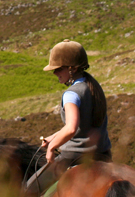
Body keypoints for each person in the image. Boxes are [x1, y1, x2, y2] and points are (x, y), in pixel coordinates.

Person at [25, 39, 112, 195]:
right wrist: (54, 137)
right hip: (103, 154)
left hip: (75, 156)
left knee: (28, 189)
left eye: (58, 69)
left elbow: (71, 128)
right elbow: (83, 126)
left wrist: (51, 148)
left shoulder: (71, 94)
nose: (54, 73)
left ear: (71, 69)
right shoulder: (93, 86)